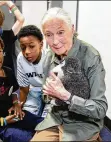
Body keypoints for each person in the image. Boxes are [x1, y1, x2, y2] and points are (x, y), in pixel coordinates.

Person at [31, 7, 108, 141]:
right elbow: (45, 97)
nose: (55, 41)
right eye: (48, 34)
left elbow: (100, 109)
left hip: (84, 123)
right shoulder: (48, 58)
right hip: (55, 119)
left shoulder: (90, 56)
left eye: (60, 32)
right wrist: (50, 94)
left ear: (72, 29)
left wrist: (66, 96)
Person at [17, 25, 46, 116]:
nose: (27, 52)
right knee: (28, 116)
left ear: (41, 45)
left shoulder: (51, 57)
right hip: (34, 91)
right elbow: (24, 89)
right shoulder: (20, 58)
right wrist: (19, 106)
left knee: (48, 120)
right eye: (23, 48)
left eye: (32, 46)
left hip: (52, 92)